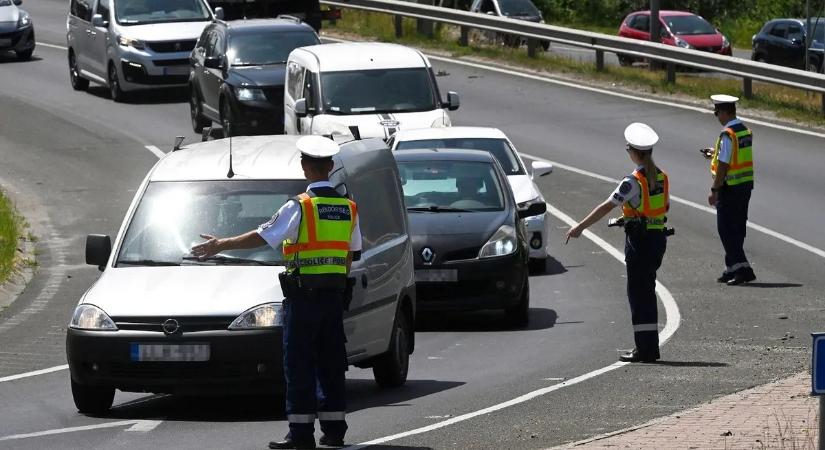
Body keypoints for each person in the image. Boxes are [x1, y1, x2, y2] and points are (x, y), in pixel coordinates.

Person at [190, 135, 361, 449]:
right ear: (331, 166)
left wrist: (221, 245)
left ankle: (300, 435)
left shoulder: (301, 206)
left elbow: (262, 235)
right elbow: (352, 254)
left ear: (304, 167)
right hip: (333, 297)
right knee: (331, 363)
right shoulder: (348, 208)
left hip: (303, 298)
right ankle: (335, 432)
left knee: (298, 364)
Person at [565, 123, 669, 363]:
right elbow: (662, 208)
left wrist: (580, 227)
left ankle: (645, 350)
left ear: (634, 152)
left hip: (639, 243)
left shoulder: (633, 181)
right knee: (647, 293)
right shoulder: (661, 177)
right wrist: (631, 216)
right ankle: (649, 347)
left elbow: (606, 206)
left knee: (638, 295)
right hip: (657, 239)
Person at [701, 94, 756, 286]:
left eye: (717, 112)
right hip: (745, 185)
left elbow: (724, 165)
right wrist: (713, 153)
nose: (717, 116)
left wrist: (714, 189)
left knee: (726, 229)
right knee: (738, 228)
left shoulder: (727, 134)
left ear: (724, 112)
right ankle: (731, 267)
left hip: (729, 187)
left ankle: (743, 269)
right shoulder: (744, 131)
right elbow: (735, 156)